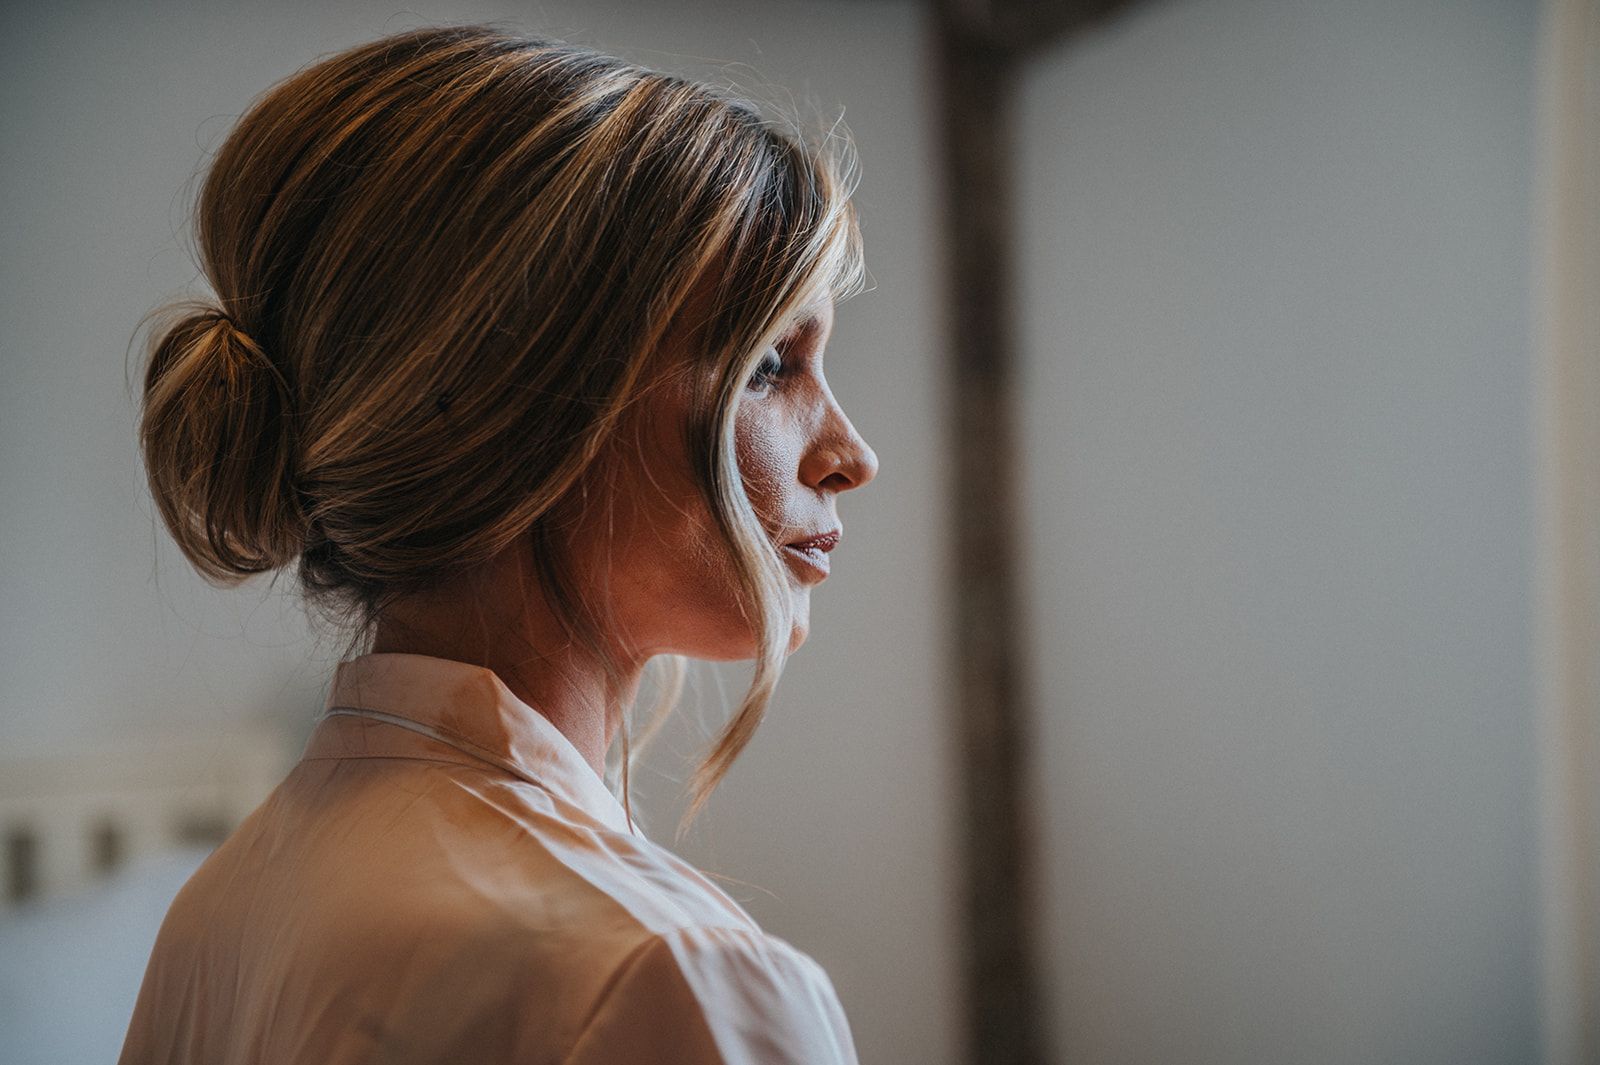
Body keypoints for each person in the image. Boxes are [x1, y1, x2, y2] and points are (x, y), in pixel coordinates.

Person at [118, 22, 878, 1065]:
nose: (851, 454)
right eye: (767, 367)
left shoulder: (218, 916)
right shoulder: (669, 977)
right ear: (524, 413)